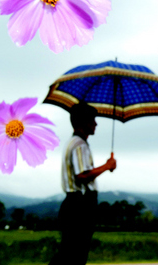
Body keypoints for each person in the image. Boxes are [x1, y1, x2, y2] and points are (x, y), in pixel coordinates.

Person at [49, 102, 116, 265]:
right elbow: (82, 176)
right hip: (80, 205)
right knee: (75, 254)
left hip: (75, 204)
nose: (96, 123)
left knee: (69, 252)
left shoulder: (75, 143)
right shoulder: (80, 145)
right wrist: (107, 166)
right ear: (82, 122)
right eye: (92, 119)